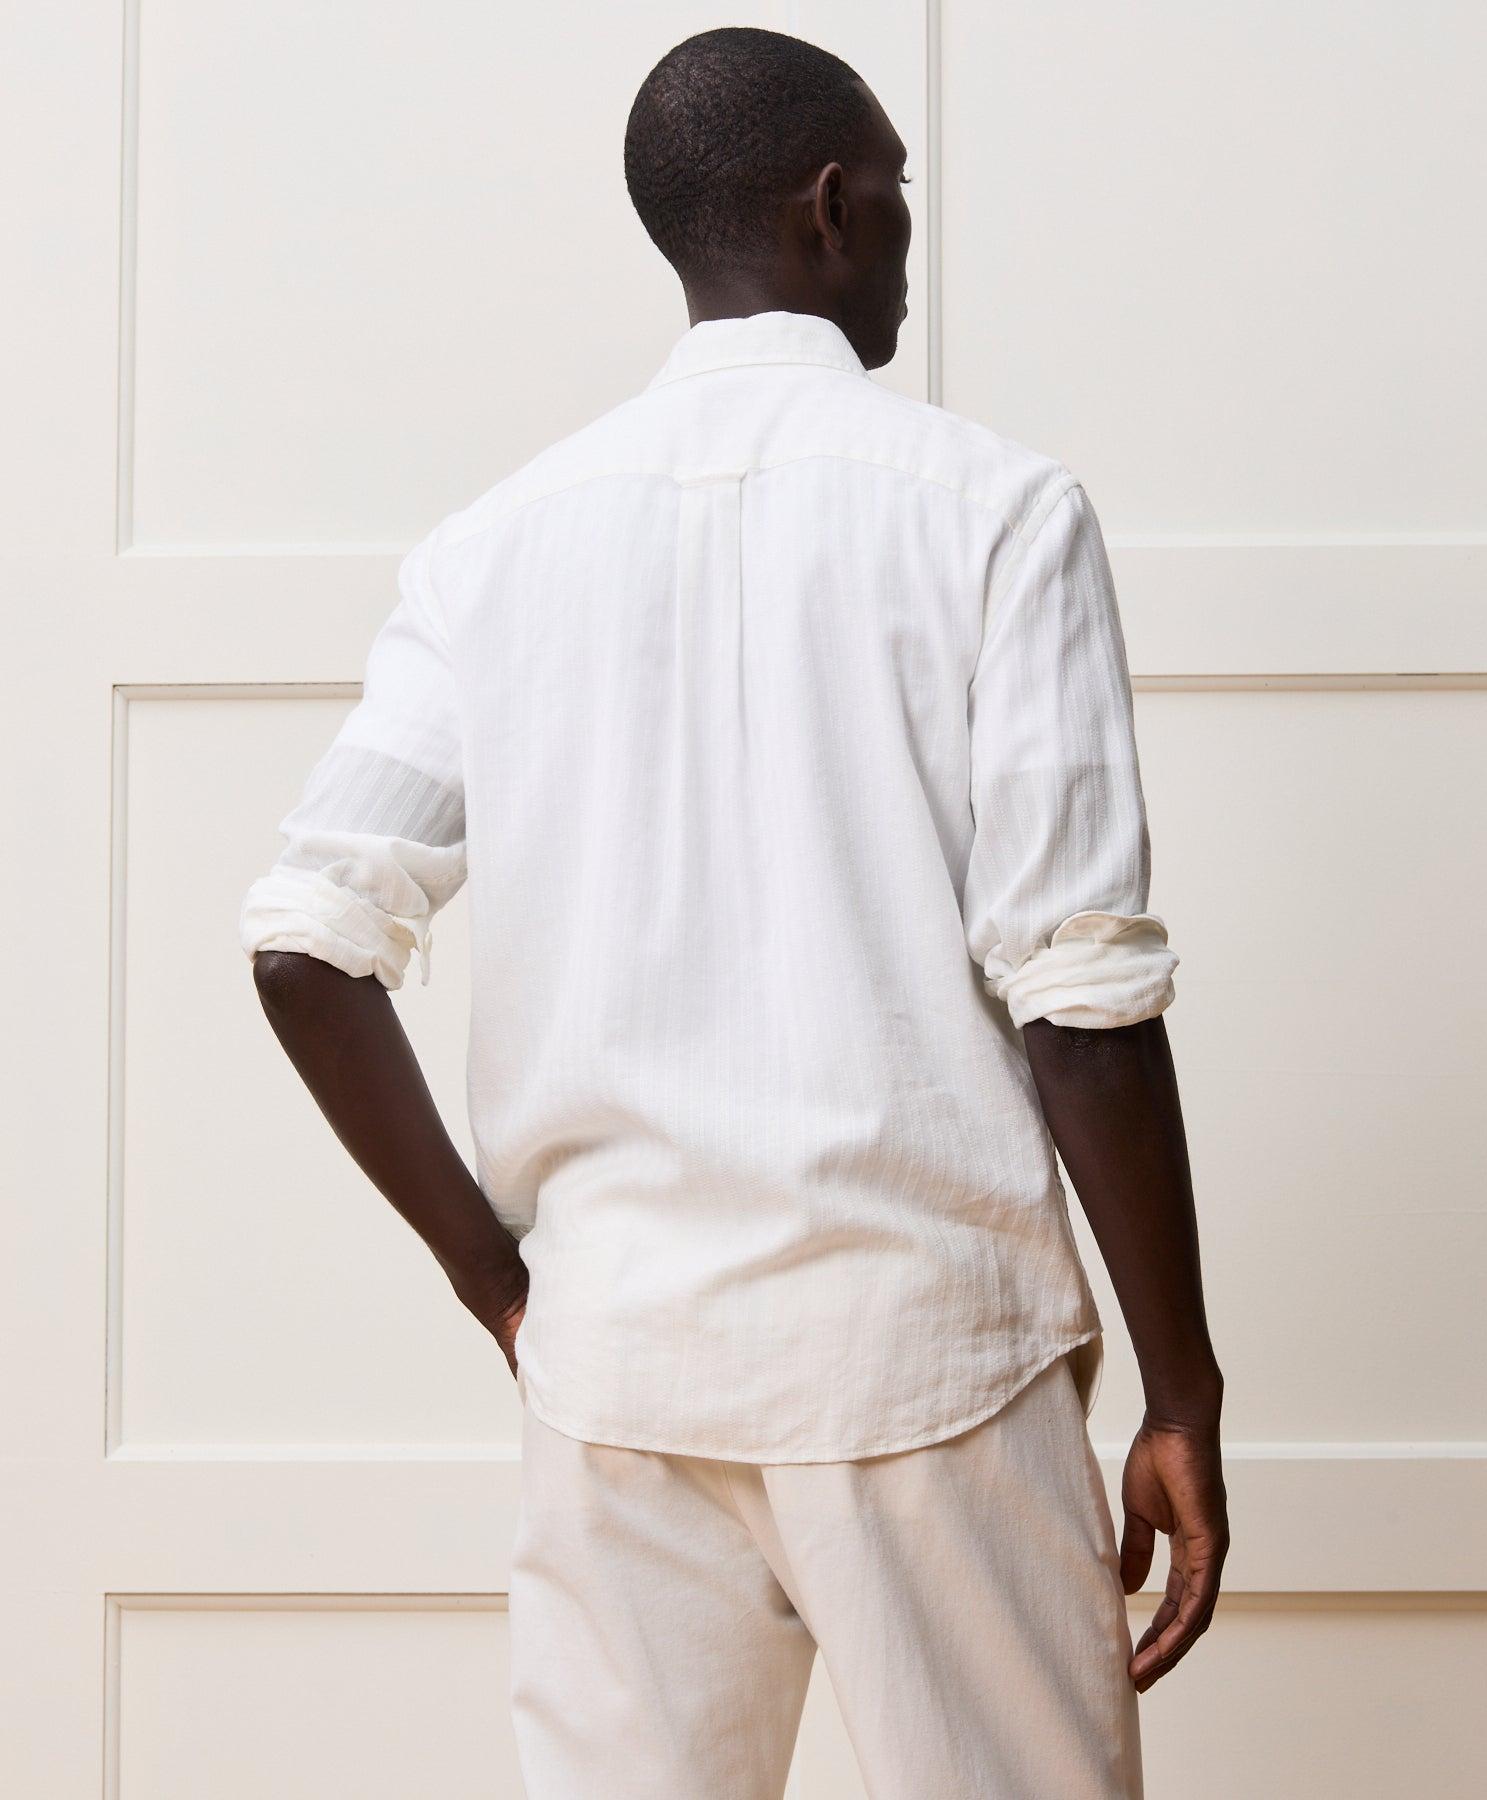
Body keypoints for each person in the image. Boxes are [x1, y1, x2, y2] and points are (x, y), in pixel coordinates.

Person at [240, 24, 1228, 1799]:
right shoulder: (998, 515)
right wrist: (1183, 1392)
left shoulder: (494, 546)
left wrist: (497, 1285)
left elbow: (306, 941)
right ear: (830, 208)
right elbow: (1081, 1001)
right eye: (900, 194)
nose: (909, 234)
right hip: (927, 1350)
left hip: (615, 1367)